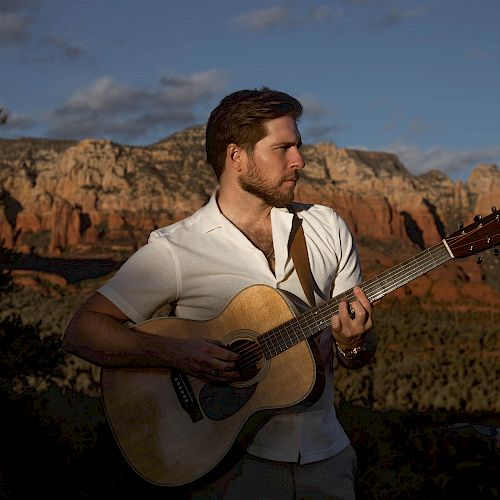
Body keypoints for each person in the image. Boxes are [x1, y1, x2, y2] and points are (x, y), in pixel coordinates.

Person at [63, 87, 377, 499]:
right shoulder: (177, 248)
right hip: (232, 467)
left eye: (298, 146)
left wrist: (352, 344)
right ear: (236, 157)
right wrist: (177, 353)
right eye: (283, 148)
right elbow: (82, 330)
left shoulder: (327, 227)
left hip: (326, 460)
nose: (299, 161)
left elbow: (358, 352)